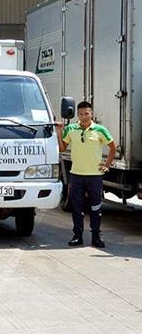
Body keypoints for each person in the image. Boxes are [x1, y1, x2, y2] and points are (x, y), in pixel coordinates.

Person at [57, 101, 116, 248]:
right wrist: (59, 132)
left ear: (91, 114)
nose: (84, 117)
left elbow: (113, 147)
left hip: (95, 176)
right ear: (78, 114)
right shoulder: (71, 129)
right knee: (77, 207)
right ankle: (77, 236)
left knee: (96, 207)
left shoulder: (100, 130)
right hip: (76, 175)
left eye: (87, 113)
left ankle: (96, 236)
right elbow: (62, 149)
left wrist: (107, 165)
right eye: (81, 114)